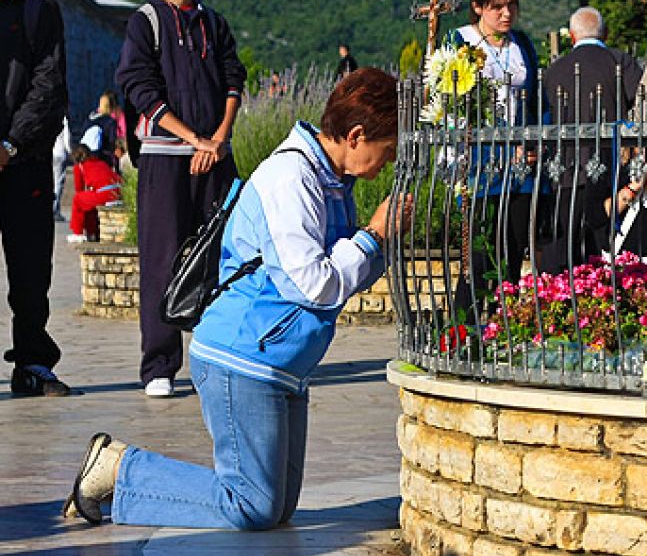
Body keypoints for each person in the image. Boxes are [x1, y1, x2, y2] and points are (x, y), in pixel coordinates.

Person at [64, 68, 404, 529]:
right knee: (251, 505)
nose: (388, 164)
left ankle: (121, 471)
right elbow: (313, 284)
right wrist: (372, 236)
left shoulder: (331, 182)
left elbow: (344, 277)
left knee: (275, 508)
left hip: (280, 364)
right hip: (241, 358)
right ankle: (119, 467)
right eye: (388, 152)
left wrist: (380, 243)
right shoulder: (291, 178)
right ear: (358, 135)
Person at [116, 0, 246, 398]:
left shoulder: (214, 22)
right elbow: (138, 85)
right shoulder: (145, 21)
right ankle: (159, 366)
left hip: (215, 158)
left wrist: (217, 139)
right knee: (162, 259)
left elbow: (234, 78)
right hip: (166, 160)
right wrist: (193, 138)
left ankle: (218, 355)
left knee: (223, 258)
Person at [444, 0, 541, 322]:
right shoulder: (459, 41)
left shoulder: (522, 45)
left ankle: (505, 330)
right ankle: (462, 332)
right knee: (478, 256)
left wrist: (532, 140)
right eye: (497, 6)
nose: (506, 14)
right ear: (477, 7)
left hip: (519, 167)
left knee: (513, 253)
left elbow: (536, 102)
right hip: (479, 165)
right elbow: (449, 103)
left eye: (511, 5)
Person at [0, 0, 71, 397]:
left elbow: (49, 88)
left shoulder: (36, 10)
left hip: (21, 164)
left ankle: (32, 364)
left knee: (30, 270)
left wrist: (9, 145)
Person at [540, 6, 642, 273]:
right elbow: (643, 108)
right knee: (605, 257)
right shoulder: (620, 62)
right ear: (605, 33)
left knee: (564, 255)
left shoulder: (554, 70)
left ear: (572, 37)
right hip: (610, 170)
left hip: (564, 173)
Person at [66, 143, 122, 243]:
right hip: (116, 193)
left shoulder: (79, 167)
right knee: (88, 202)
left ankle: (78, 233)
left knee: (78, 199)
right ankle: (94, 233)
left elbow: (79, 189)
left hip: (104, 194)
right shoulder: (101, 162)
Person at [81, 90, 122, 167]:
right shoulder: (110, 122)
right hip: (103, 159)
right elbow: (112, 143)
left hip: (87, 157)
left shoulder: (89, 119)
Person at [51, 116, 73, 222]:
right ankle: (55, 209)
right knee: (58, 183)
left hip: (51, 153)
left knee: (50, 181)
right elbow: (67, 140)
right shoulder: (64, 121)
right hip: (60, 154)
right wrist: (70, 151)